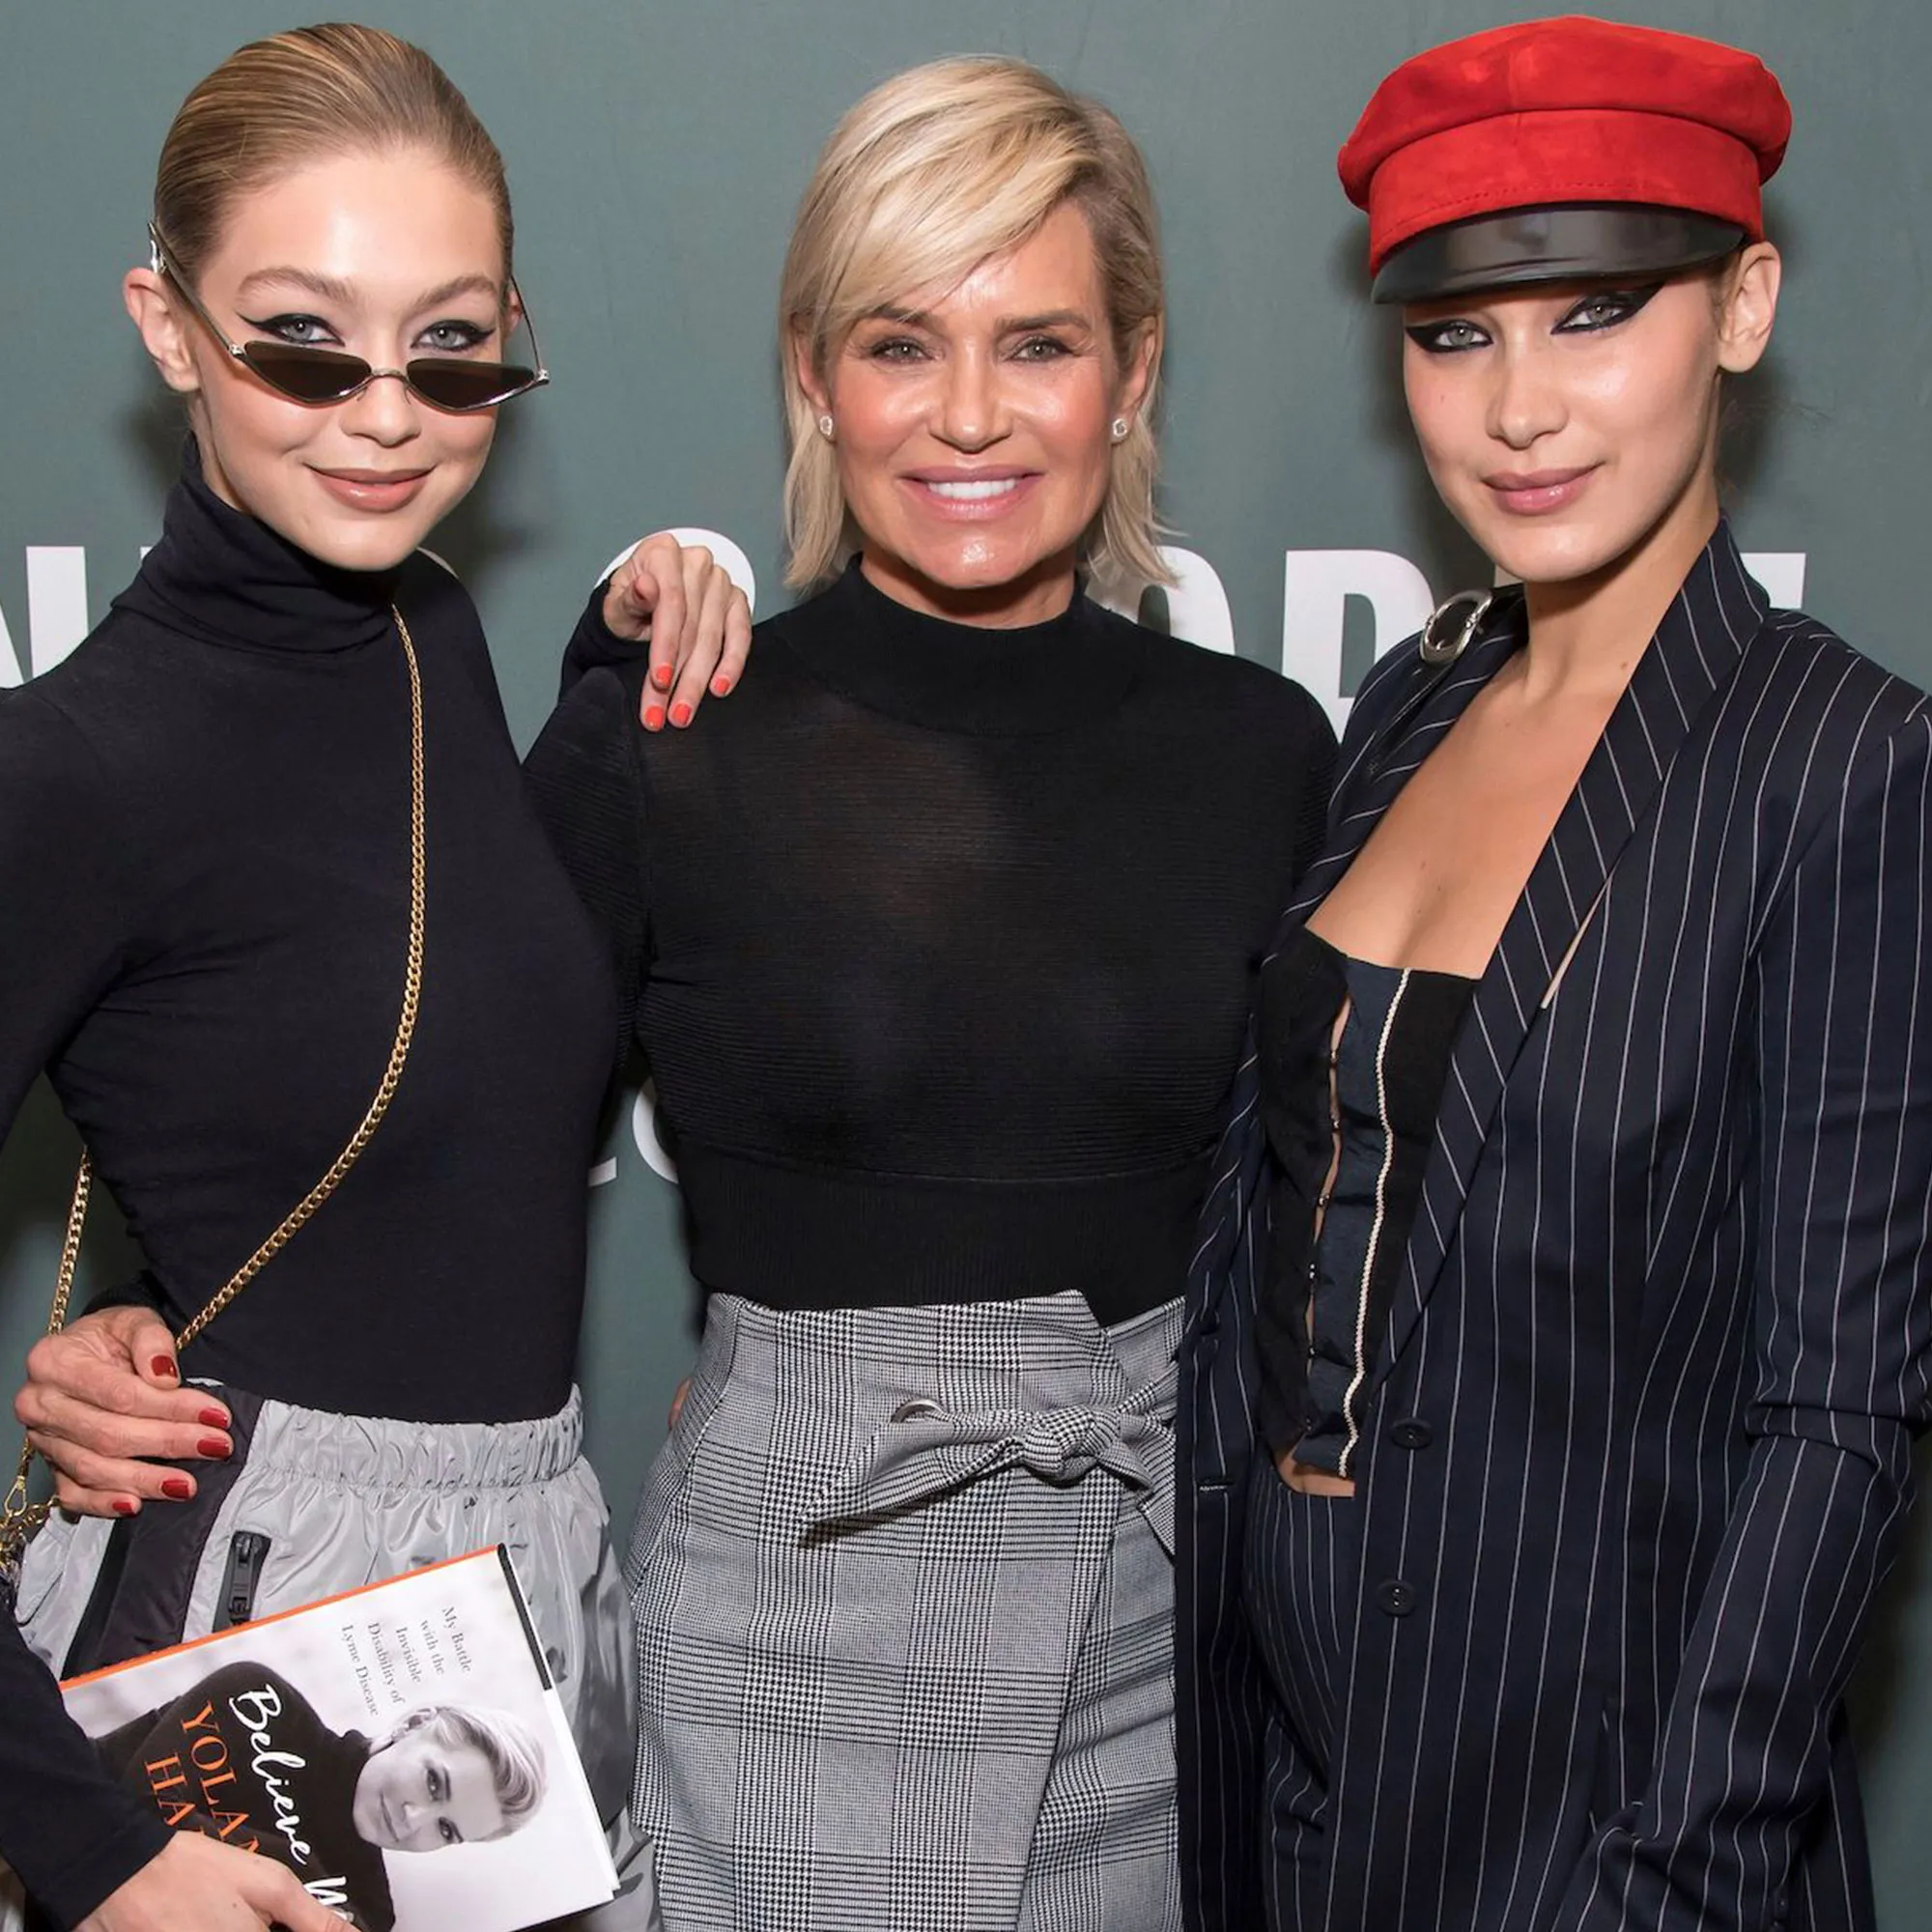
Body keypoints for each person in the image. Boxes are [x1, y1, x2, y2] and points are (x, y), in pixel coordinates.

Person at [518, 55, 1335, 1932]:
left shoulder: (1264, 750)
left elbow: (1329, 1216)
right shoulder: (670, 732)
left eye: (1037, 343)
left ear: (1130, 374)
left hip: (1156, 1639)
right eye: (901, 342)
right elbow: (433, 1141)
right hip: (778, 1644)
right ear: (812, 375)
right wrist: (155, 1318)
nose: (969, 414)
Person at [1177, 17, 1932, 1932]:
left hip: (1601, 1809)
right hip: (1288, 1769)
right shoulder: (1404, 708)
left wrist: (1679, 1861)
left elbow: (1839, 1403)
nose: (1518, 404)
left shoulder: (1837, 762)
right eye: (1455, 331)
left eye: (1593, 312)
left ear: (1739, 307)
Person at [0, 23, 743, 1932]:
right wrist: (89, 1858)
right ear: (166, 325)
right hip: (239, 1654)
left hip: (523, 1610)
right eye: (303, 343)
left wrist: (623, 632)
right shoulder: (71, 769)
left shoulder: (423, 631)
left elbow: (454, 1026)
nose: (386, 412)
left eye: (453, 347)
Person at [92, 1662, 549, 1932]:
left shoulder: (369, 1912)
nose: (413, 1821)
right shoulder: (260, 1701)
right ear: (413, 1725)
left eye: (446, 1830)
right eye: (434, 1783)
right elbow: (124, 1824)